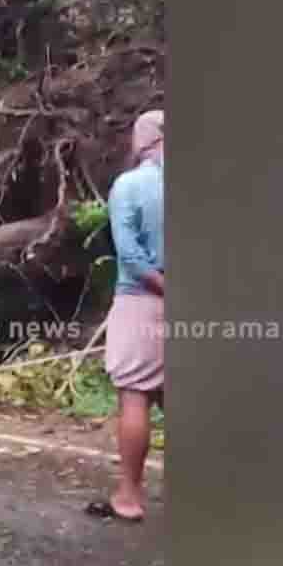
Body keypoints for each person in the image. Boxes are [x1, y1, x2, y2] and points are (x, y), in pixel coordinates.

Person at [87, 109, 164, 523]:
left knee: (135, 395)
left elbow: (131, 257)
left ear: (144, 141)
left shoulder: (130, 185)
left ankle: (129, 496)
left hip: (142, 300)